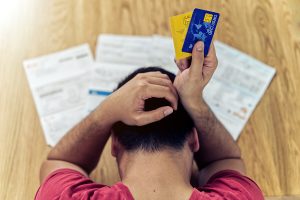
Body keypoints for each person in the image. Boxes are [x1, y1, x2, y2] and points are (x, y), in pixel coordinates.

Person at [35, 41, 264, 200]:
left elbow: (61, 162)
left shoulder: (63, 196)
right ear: (195, 140)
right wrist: (194, 101)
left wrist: (105, 112)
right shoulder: (241, 195)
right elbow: (226, 160)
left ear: (114, 144)